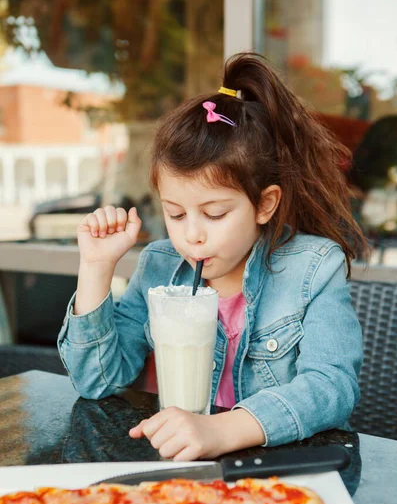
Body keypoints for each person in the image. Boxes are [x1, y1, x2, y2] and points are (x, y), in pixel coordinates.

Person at [58, 53, 368, 461]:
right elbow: (96, 382)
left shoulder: (312, 268)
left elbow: (332, 386)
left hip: (274, 474)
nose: (192, 236)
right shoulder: (159, 267)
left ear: (265, 204)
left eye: (215, 213)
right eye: (175, 213)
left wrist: (222, 429)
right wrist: (96, 269)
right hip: (175, 470)